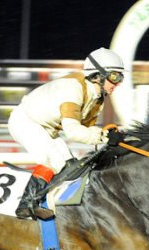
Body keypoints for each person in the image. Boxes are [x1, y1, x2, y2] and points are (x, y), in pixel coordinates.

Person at [8, 47, 127, 220]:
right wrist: (103, 136)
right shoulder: (73, 87)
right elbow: (72, 131)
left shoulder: (98, 99)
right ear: (98, 75)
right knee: (54, 161)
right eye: (115, 77)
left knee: (72, 167)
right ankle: (25, 205)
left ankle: (52, 204)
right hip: (25, 122)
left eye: (120, 77)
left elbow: (86, 132)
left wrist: (107, 136)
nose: (118, 83)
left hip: (46, 129)